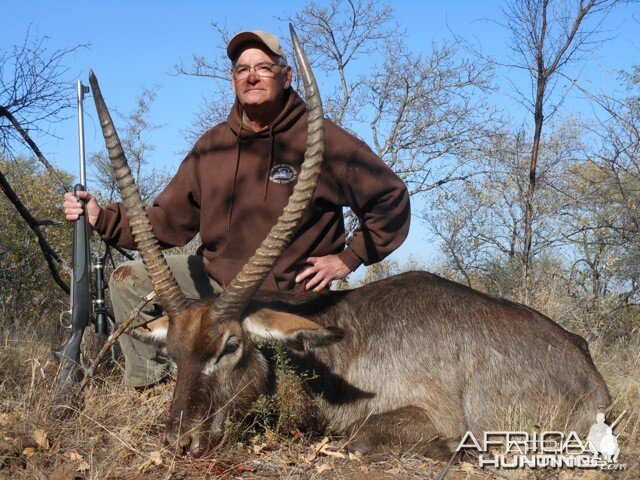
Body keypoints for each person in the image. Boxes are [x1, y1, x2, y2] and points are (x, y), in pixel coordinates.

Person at [63, 30, 410, 388]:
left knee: (288, 383)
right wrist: (101, 217)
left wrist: (348, 258)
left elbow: (390, 198)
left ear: (286, 76)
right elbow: (168, 222)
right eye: (241, 69)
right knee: (128, 280)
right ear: (233, 81)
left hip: (287, 294)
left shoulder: (326, 139)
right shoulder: (212, 146)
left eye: (263, 67)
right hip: (216, 285)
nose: (252, 75)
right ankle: (155, 387)